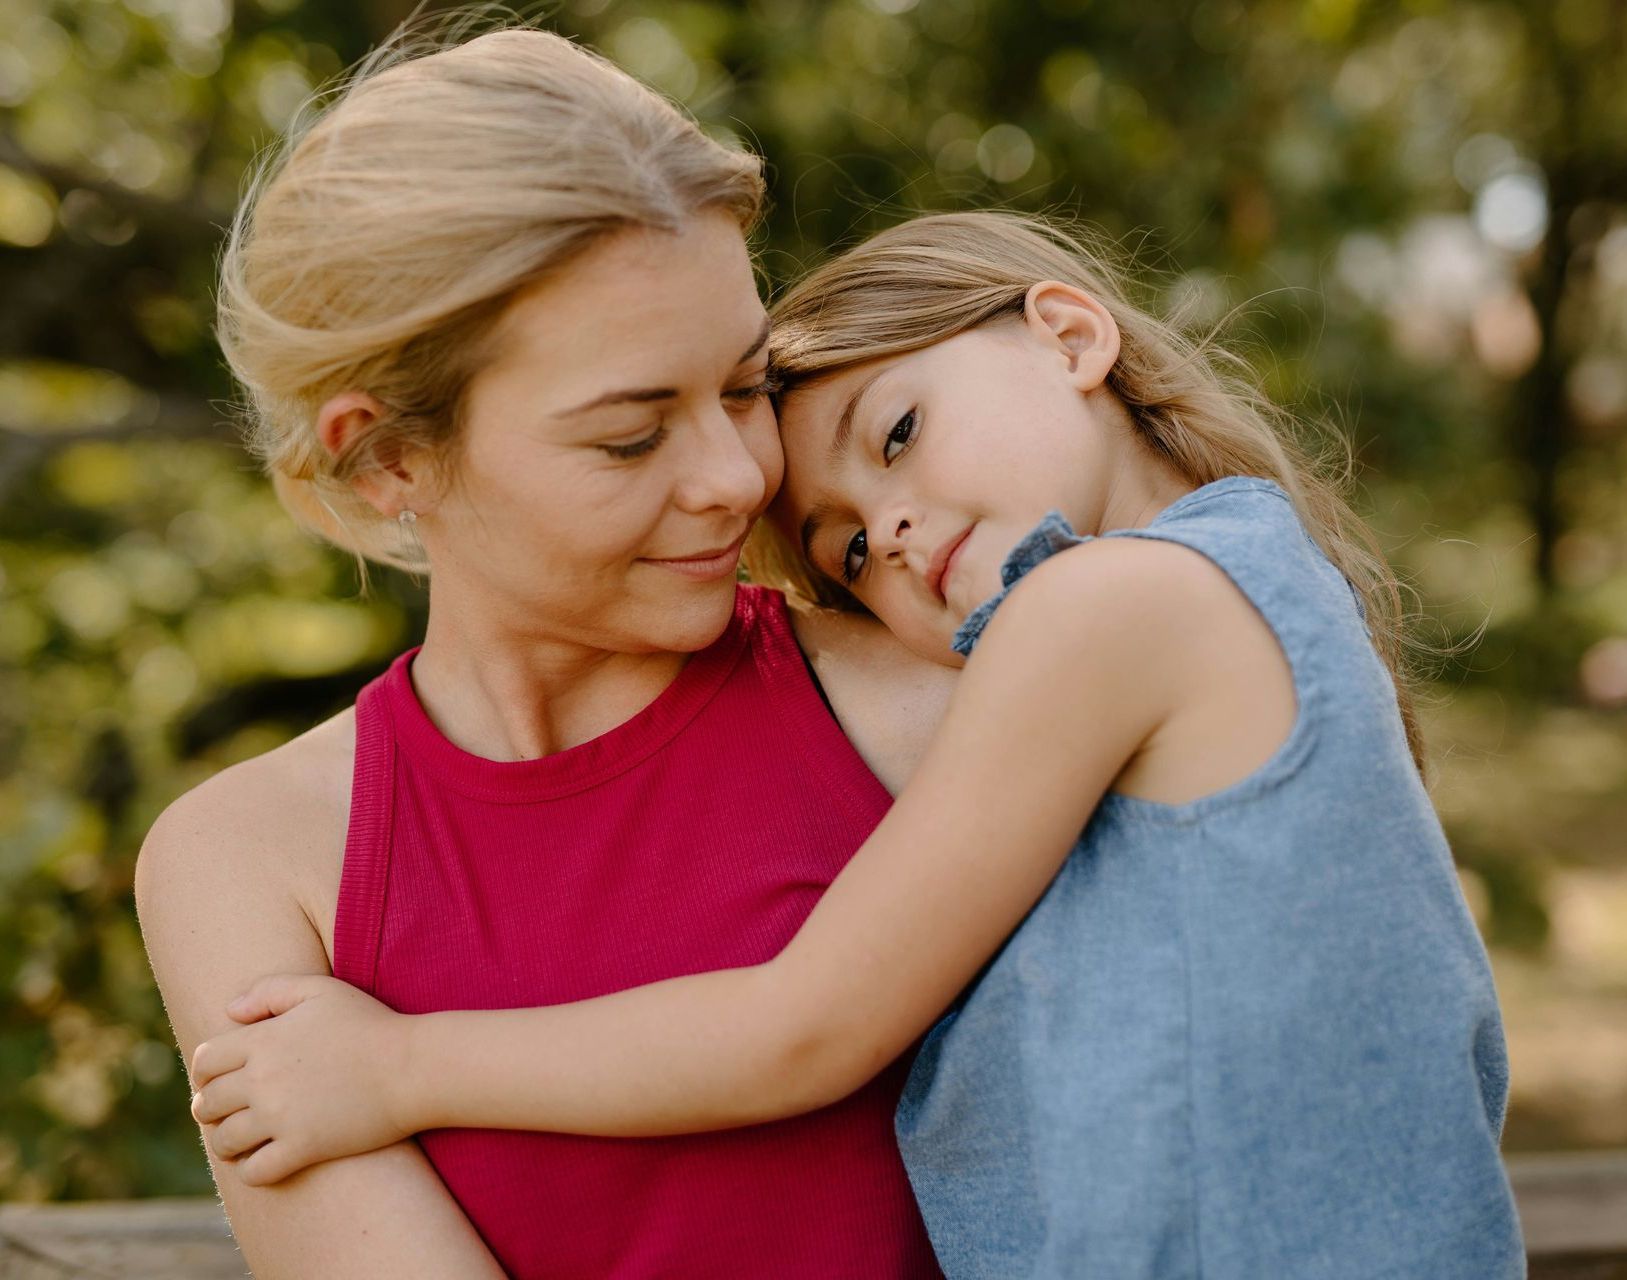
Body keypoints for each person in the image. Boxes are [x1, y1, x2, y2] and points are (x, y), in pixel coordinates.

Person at [189, 211, 1526, 1279]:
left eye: (897, 433)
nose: (884, 530)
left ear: (1066, 334)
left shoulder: (1102, 612)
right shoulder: (1241, 591)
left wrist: (398, 1066)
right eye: (837, 546)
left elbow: (801, 1024)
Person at [136, 26, 956, 1280]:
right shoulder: (249, 861)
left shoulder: (932, 713)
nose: (735, 478)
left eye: (744, 388)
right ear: (385, 456)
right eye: (631, 438)